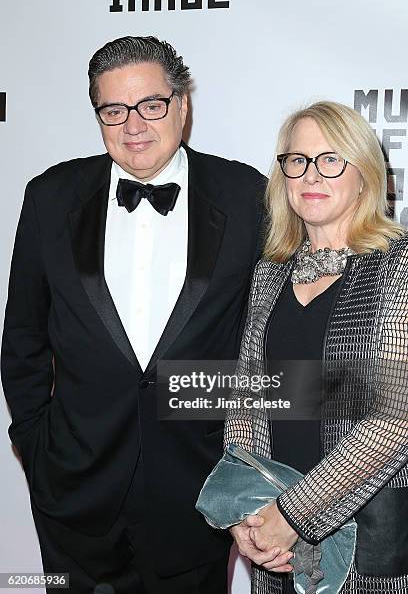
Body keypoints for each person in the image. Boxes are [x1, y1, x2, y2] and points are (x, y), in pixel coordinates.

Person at [1, 36, 265, 593]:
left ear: (182, 105)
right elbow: (23, 334)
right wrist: (35, 440)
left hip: (198, 490)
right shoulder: (50, 196)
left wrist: (247, 466)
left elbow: (272, 339)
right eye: (113, 110)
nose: (134, 125)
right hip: (74, 488)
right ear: (97, 114)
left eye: (151, 104)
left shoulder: (247, 196)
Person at [224, 101, 408, 593]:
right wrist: (247, 511)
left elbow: (394, 421)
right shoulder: (269, 273)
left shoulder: (398, 269)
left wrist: (294, 514)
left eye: (331, 160)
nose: (311, 174)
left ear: (365, 174)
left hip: (364, 539)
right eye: (297, 160)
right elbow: (247, 402)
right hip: (276, 548)